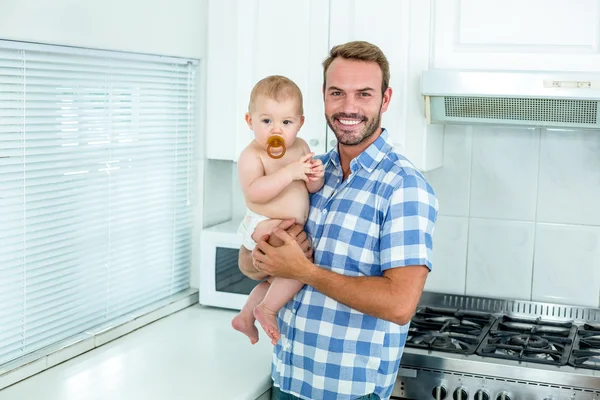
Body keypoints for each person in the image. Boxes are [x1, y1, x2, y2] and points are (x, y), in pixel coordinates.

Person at [238, 41, 439, 400]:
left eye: (364, 94)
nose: (349, 107)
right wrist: (259, 258)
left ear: (385, 99)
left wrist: (305, 271)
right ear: (324, 97)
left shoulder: (403, 187)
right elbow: (249, 260)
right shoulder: (309, 169)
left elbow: (399, 305)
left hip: (349, 391)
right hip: (288, 376)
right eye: (337, 93)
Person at [231, 75, 325, 346]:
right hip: (263, 222)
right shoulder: (253, 155)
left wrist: (314, 176)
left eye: (286, 122)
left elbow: (313, 188)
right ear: (250, 121)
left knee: (279, 278)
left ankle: (246, 316)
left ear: (300, 123)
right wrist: (289, 172)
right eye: (266, 121)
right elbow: (254, 191)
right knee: (298, 269)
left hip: (285, 225)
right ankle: (267, 310)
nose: (276, 130)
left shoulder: (301, 147)